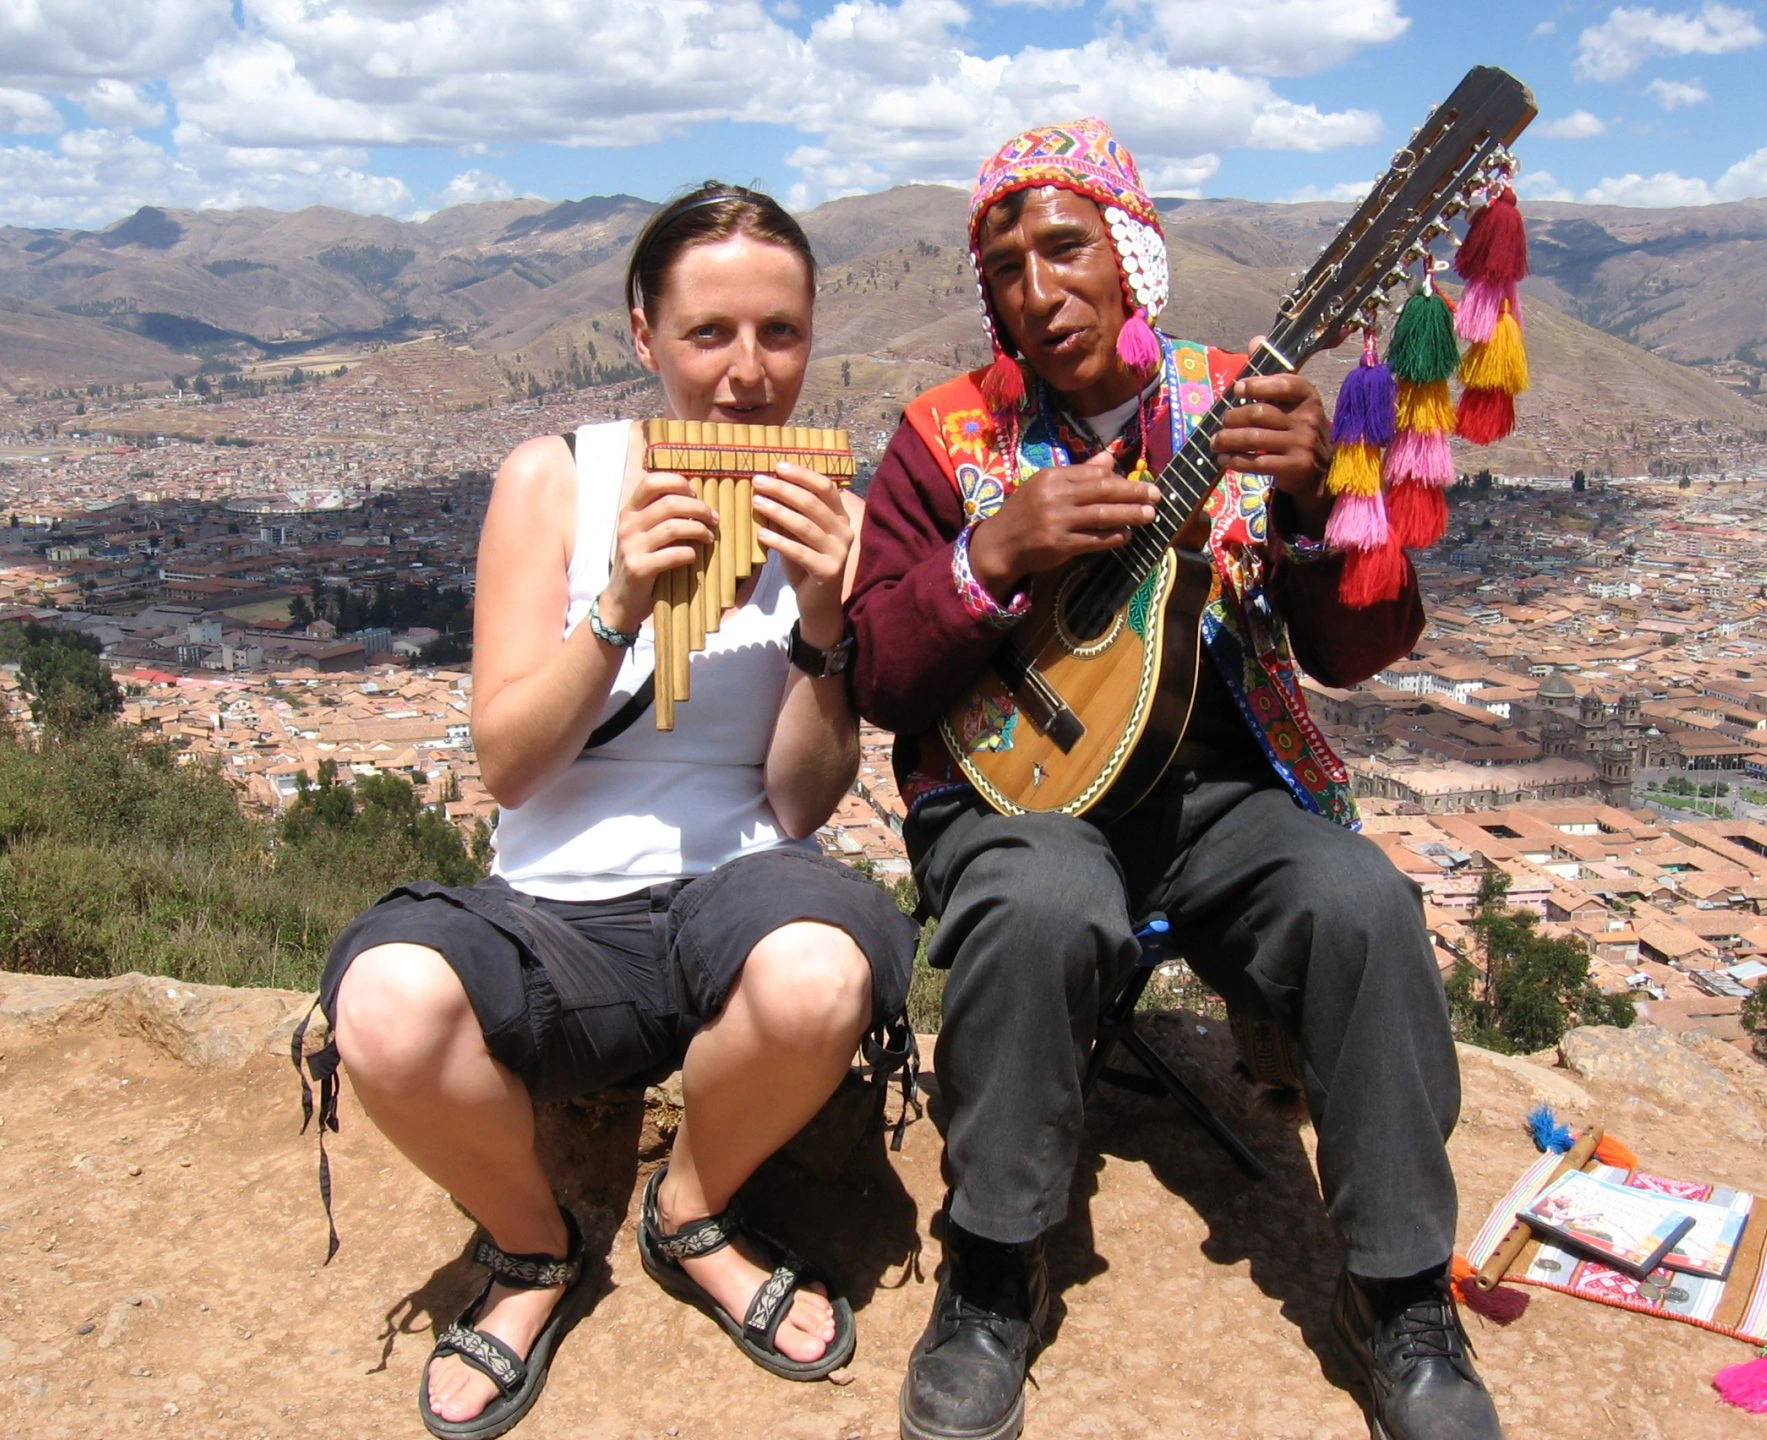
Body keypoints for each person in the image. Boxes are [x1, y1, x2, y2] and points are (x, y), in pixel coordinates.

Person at [846, 120, 1502, 1440]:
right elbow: (873, 668)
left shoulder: (1242, 408)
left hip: (1219, 793)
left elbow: (1361, 647)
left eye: (1066, 247)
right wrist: (990, 556)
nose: (1039, 289)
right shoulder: (942, 437)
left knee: (1359, 902)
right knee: (1036, 908)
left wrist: (1321, 496)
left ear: (1131, 256)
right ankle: (989, 1273)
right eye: (1008, 262)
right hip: (1013, 795)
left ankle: (1404, 1295)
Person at [302, 183, 916, 1440]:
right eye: (709, 335)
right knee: (381, 1007)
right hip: (552, 913)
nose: (748, 377)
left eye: (781, 335)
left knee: (822, 973)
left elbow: (800, 803)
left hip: (738, 894)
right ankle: (532, 1248)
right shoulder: (554, 482)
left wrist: (823, 624)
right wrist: (621, 606)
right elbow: (510, 768)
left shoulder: (828, 520)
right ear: (643, 334)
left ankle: (688, 1211)